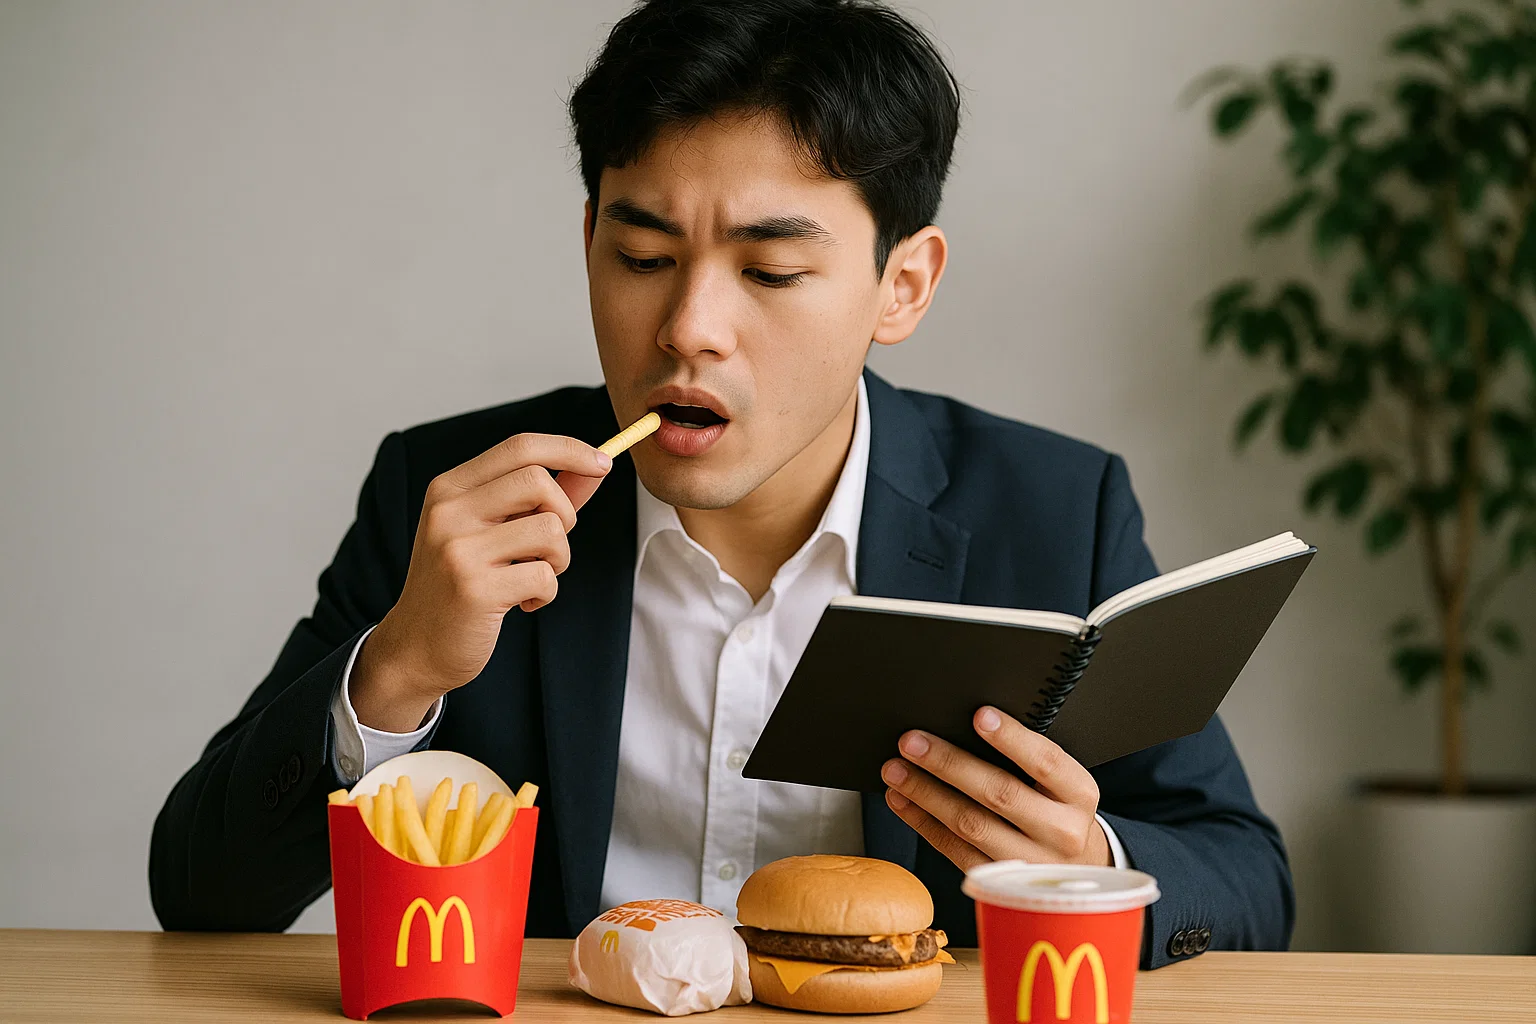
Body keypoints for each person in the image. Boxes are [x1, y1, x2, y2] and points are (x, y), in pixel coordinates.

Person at [150, 0, 1292, 967]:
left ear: (902, 286)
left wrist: (1087, 864)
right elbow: (200, 893)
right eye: (642, 257)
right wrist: (398, 669)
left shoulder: (1052, 512)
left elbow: (1247, 880)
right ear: (589, 239)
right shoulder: (445, 497)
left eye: (772, 269)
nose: (689, 327)